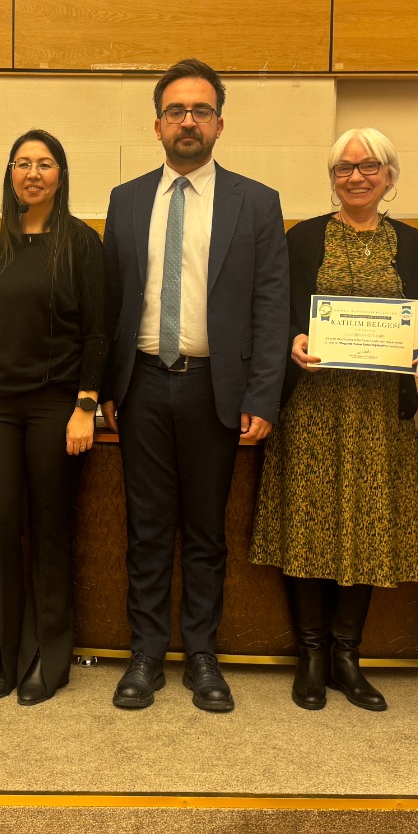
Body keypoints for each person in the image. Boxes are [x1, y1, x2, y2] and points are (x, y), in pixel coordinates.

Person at [101, 58, 290, 713]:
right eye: (176, 111)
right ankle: (147, 654)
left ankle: (203, 654)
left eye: (201, 111)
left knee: (207, 531)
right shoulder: (126, 200)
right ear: (157, 125)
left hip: (217, 389)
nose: (188, 121)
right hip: (142, 387)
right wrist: (104, 389)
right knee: (148, 528)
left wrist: (262, 395)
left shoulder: (256, 202)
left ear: (219, 124)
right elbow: (111, 304)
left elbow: (272, 306)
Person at [251, 128, 418, 713]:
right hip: (312, 406)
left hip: (380, 411)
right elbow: (276, 311)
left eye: (368, 166)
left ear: (389, 175)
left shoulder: (411, 242)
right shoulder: (303, 238)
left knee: (370, 524)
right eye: (344, 168)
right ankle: (311, 655)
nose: (356, 177)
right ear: (332, 178)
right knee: (309, 523)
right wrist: (293, 339)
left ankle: (347, 655)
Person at [0, 129, 107, 705]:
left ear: (60, 176)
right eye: (22, 164)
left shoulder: (82, 243)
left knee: (50, 528)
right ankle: (1, 657)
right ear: (10, 175)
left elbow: (97, 332)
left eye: (44, 164)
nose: (33, 174)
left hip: (57, 405)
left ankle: (48, 659)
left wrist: (85, 406)